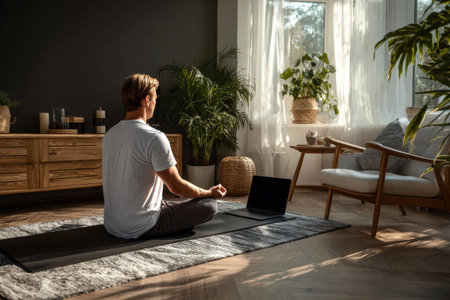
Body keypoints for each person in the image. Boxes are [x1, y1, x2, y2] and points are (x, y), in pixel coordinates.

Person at [102, 73, 226, 239]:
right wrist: (209, 193)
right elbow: (176, 187)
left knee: (167, 203)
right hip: (142, 227)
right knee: (209, 205)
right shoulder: (154, 137)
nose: (155, 103)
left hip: (112, 225)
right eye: (154, 99)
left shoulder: (110, 134)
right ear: (146, 100)